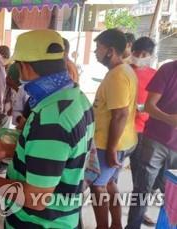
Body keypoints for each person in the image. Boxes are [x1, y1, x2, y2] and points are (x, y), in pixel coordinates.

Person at [0, 29, 94, 228]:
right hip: (64, 217)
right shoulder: (77, 97)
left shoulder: (51, 117)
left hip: (39, 223)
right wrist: (10, 150)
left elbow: (34, 198)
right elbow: (62, 157)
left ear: (25, 67)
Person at [90, 29, 138, 229]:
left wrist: (110, 150)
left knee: (97, 185)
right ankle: (116, 225)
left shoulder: (117, 75)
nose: (95, 52)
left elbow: (120, 114)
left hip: (110, 143)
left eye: (98, 48)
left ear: (110, 51)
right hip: (123, 141)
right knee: (109, 183)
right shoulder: (124, 70)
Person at [126, 60, 177, 228]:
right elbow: (149, 105)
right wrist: (169, 119)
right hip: (156, 140)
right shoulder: (168, 69)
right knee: (142, 189)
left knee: (172, 194)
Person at [126, 36, 159, 227]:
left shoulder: (156, 75)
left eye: (144, 54)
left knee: (141, 183)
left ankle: (139, 214)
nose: (139, 57)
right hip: (121, 131)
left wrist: (146, 108)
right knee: (106, 178)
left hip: (143, 132)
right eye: (136, 53)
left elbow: (158, 103)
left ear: (150, 56)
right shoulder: (124, 71)